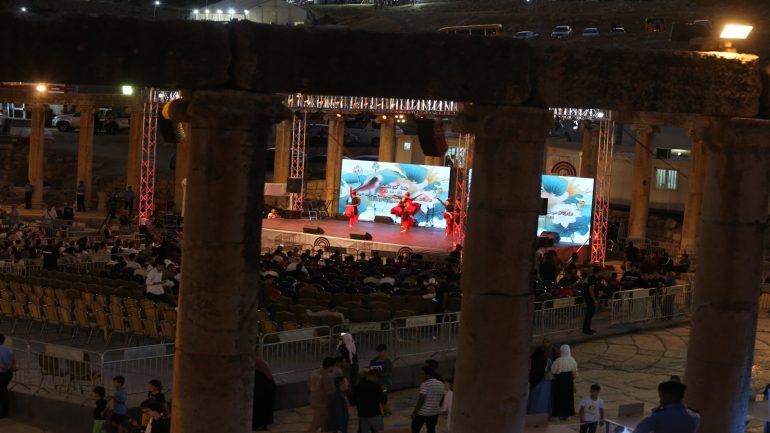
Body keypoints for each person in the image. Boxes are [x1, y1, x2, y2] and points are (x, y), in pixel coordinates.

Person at [634, 381, 700, 433]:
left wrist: (654, 414)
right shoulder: (695, 416)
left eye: (660, 396)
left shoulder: (658, 417)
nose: (660, 400)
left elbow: (639, 431)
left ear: (666, 396)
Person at [411, 366, 445, 433]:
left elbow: (422, 399)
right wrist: (438, 407)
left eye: (422, 374)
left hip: (422, 413)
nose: (420, 376)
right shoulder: (441, 384)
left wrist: (414, 412)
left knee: (415, 429)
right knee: (431, 429)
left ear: (428, 375)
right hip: (434, 412)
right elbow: (443, 397)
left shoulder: (425, 384)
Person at [308, 357, 336, 432]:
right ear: (331, 366)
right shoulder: (327, 376)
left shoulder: (314, 372)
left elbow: (309, 384)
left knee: (324, 423)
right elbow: (329, 392)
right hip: (322, 403)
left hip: (313, 399)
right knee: (315, 425)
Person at [551, 344, 578, 420]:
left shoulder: (558, 360)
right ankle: (567, 415)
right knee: (568, 397)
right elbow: (575, 372)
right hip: (569, 380)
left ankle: (558, 415)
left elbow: (553, 370)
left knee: (559, 396)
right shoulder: (572, 360)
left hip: (559, 380)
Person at [527, 346, 552, 414]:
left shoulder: (532, 360)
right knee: (544, 397)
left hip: (534, 381)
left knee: (533, 397)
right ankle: (543, 411)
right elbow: (551, 370)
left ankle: (532, 411)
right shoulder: (548, 360)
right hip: (545, 382)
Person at [369, 344, 393, 415]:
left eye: (380, 351)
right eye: (378, 351)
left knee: (383, 395)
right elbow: (370, 367)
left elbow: (389, 372)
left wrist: (381, 374)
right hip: (376, 382)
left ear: (385, 351)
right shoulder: (375, 359)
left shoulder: (387, 361)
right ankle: (385, 409)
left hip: (384, 383)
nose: (379, 353)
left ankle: (386, 409)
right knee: (376, 397)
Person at [252, 358, 276, 431]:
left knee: (258, 406)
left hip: (263, 387)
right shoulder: (260, 363)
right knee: (265, 407)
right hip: (268, 386)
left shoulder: (254, 367)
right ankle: (263, 425)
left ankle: (256, 425)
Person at [0, 334, 15, 418]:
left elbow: (2, 365)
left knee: (2, 393)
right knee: (3, 392)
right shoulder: (8, 350)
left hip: (2, 374)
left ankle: (3, 412)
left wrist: (7, 367)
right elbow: (13, 361)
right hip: (7, 374)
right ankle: (4, 411)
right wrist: (12, 367)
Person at [583, 267, 600, 335]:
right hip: (590, 299)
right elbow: (591, 290)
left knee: (590, 314)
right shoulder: (592, 279)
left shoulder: (594, 278)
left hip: (591, 299)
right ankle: (586, 330)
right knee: (589, 314)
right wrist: (594, 300)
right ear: (599, 272)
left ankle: (587, 328)